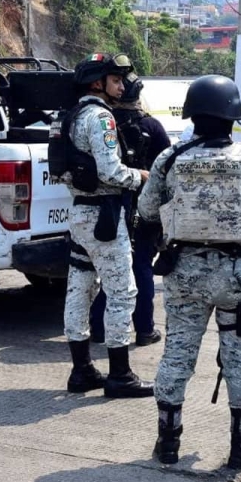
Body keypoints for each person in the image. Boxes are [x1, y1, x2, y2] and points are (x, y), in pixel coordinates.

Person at [138, 74, 241, 469]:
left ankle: (168, 441)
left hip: (183, 274)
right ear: (233, 117)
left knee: (177, 354)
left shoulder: (168, 159)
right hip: (237, 275)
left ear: (191, 115)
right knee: (240, 357)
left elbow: (147, 211)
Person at [60, 53, 154, 399]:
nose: (121, 85)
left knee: (79, 290)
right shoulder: (101, 117)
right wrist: (141, 176)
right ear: (98, 83)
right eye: (115, 79)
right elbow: (111, 172)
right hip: (105, 217)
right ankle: (120, 375)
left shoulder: (70, 115)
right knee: (122, 293)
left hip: (80, 213)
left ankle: (82, 370)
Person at [89, 71, 171, 347]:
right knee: (141, 266)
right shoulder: (154, 127)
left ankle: (98, 330)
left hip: (108, 207)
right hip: (144, 208)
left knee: (112, 271)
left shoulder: (102, 124)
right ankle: (145, 329)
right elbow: (166, 172)